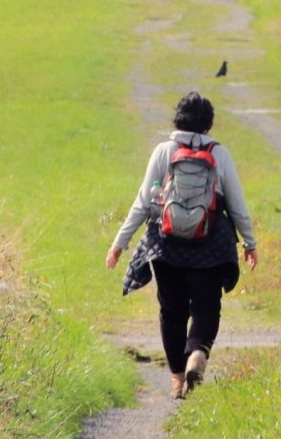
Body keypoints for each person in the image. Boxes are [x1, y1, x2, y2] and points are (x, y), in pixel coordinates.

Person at [107, 91, 258, 399]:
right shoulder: (220, 154)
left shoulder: (163, 151)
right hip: (211, 246)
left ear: (177, 117)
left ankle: (177, 378)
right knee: (206, 307)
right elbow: (238, 205)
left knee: (171, 312)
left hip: (167, 246)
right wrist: (249, 242)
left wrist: (119, 243)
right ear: (208, 122)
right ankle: (197, 354)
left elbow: (143, 203)